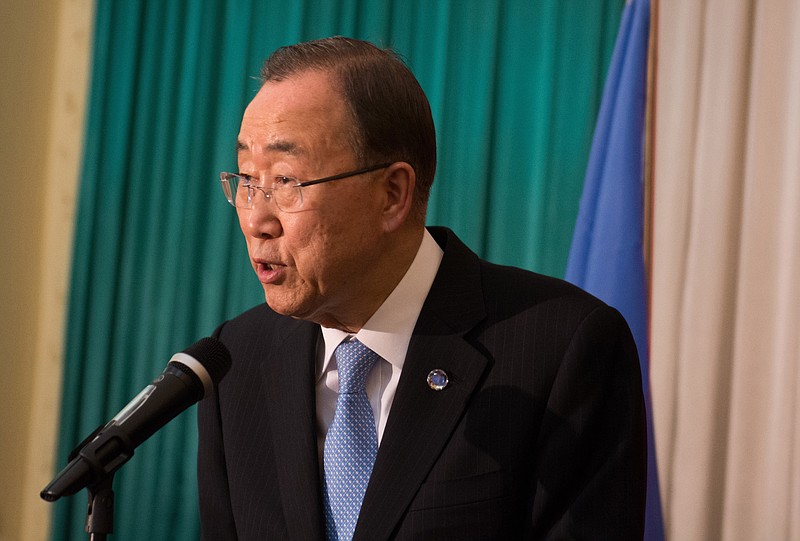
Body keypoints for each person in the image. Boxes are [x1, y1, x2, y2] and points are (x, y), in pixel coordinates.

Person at [198, 36, 646, 540]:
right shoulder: (235, 362)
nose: (256, 218)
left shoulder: (563, 347)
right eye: (246, 179)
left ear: (392, 194)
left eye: (285, 180)